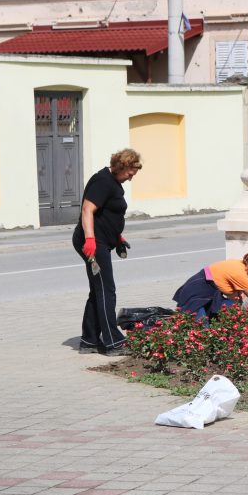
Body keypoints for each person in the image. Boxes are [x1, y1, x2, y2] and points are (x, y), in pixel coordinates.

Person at [73, 148, 142, 355]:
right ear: (121, 167)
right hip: (94, 243)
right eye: (130, 173)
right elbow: (87, 210)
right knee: (106, 291)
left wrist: (117, 237)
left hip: (103, 240)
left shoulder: (113, 182)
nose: (131, 178)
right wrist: (91, 240)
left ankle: (89, 340)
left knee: (98, 290)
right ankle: (113, 342)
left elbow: (106, 214)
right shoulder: (103, 181)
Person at [173, 253, 248, 321]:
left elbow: (240, 295)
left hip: (210, 292)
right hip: (197, 290)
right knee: (201, 324)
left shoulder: (239, 266)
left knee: (232, 309)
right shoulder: (240, 273)